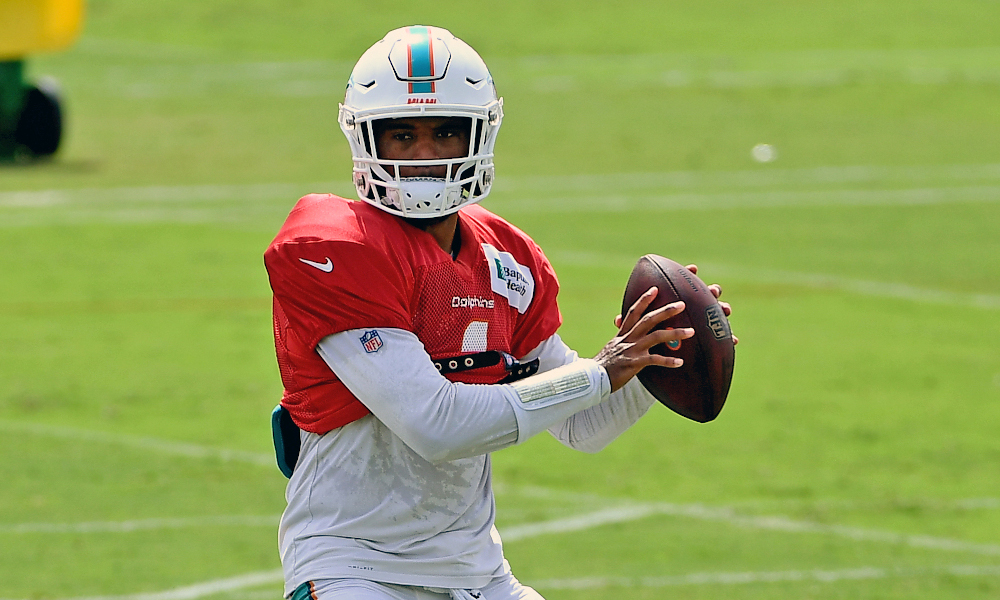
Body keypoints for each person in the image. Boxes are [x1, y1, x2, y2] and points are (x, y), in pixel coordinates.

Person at [264, 25, 733, 600]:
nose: (424, 156)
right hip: (356, 569)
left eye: (444, 133)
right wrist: (598, 373)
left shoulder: (504, 258)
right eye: (402, 135)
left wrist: (653, 358)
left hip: (476, 575)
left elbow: (581, 424)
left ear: (480, 134)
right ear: (365, 139)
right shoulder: (334, 245)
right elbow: (436, 426)